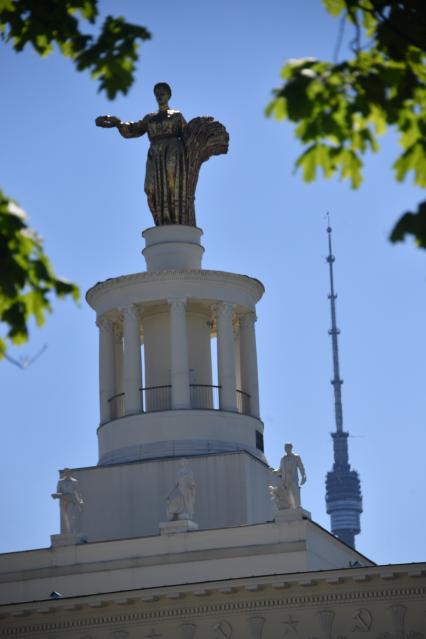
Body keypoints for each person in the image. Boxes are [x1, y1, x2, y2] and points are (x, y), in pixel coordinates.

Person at [96, 82, 188, 226]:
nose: (159, 95)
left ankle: (175, 220)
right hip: (155, 154)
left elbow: (188, 136)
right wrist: (118, 123)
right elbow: (134, 129)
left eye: (162, 92)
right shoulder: (150, 118)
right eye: (157, 93)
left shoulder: (177, 115)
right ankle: (160, 221)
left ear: (169, 95)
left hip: (173, 152)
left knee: (172, 184)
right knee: (150, 188)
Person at [51, 468, 84, 534]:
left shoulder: (74, 481)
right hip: (64, 500)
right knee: (66, 517)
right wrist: (56, 495)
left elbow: (78, 492)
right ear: (64, 473)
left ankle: (72, 531)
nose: (67, 473)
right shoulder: (61, 481)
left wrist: (80, 501)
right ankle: (69, 532)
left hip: (72, 499)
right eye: (66, 472)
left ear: (71, 473)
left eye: (68, 472)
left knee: (71, 515)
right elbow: (58, 491)